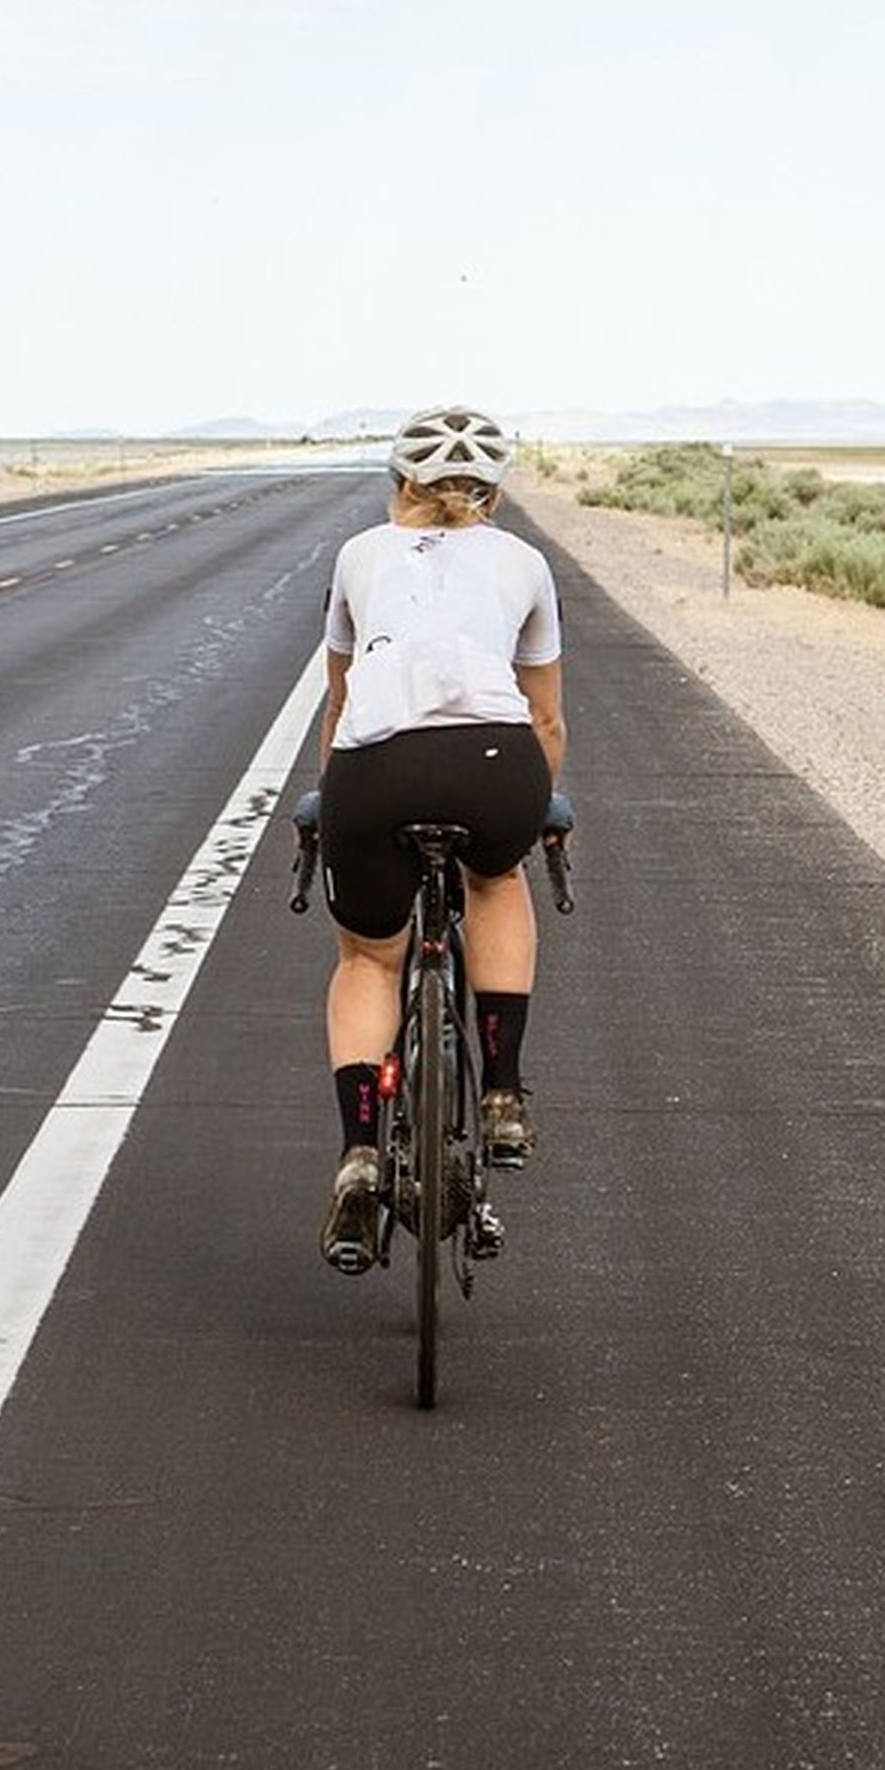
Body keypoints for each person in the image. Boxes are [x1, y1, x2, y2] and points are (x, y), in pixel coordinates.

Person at [311, 407, 566, 1274]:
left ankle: (359, 1153)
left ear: (398, 484)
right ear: (494, 493)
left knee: (369, 961)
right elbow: (547, 717)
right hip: (496, 759)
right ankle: (500, 1096)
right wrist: (540, 806)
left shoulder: (359, 554)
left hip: (374, 767)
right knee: (496, 881)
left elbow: (339, 703)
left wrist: (329, 798)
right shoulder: (525, 562)